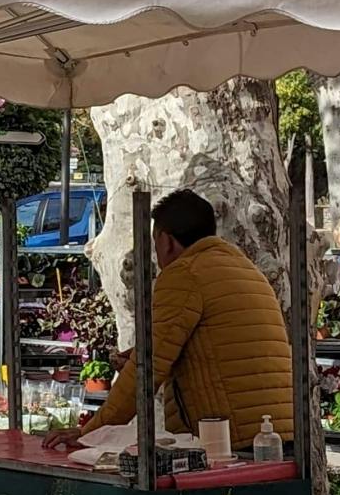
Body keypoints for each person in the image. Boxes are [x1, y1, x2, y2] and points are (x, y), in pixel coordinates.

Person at [43, 190, 295, 453]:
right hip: (277, 434)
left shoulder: (184, 273)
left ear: (166, 241)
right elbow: (221, 348)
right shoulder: (244, 268)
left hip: (233, 439)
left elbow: (148, 367)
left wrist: (90, 433)